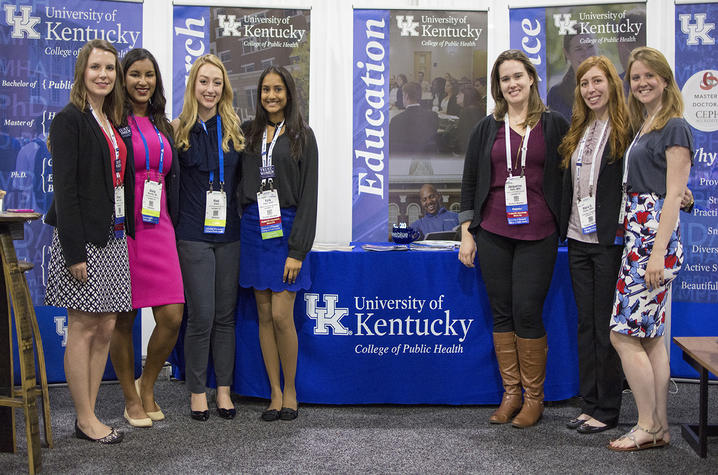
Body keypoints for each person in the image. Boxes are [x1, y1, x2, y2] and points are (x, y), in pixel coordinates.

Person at [458, 49, 569, 428]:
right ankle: (511, 394)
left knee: (527, 311)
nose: (512, 84)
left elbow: (573, 174)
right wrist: (467, 233)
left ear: (532, 78)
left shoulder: (554, 124)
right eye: (505, 79)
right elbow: (470, 181)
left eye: (518, 76)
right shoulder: (487, 127)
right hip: (492, 231)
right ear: (498, 86)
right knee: (502, 311)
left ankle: (534, 399)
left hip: (539, 232)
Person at [44, 39, 133, 444]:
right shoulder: (69, 120)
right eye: (96, 67)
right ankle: (83, 417)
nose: (104, 75)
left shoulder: (110, 119)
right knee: (82, 326)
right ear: (82, 71)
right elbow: (66, 190)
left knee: (107, 325)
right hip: (82, 241)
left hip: (112, 237)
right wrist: (74, 252)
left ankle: (90, 413)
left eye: (110, 68)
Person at [608, 47, 693, 451]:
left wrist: (657, 253)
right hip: (639, 232)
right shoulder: (648, 124)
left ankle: (645, 425)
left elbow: (674, 195)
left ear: (665, 79)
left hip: (651, 240)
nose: (641, 83)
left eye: (648, 76)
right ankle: (658, 426)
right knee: (652, 337)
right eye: (635, 77)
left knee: (622, 336)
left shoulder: (674, 125)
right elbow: (670, 186)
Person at [109, 48, 184, 428]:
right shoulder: (112, 120)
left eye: (149, 74)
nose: (143, 81)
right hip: (125, 229)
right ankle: (129, 397)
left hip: (160, 227)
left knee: (172, 315)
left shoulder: (162, 124)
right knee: (124, 318)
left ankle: (147, 383)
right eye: (135, 74)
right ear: (124, 79)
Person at [239, 65, 318, 422]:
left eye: (278, 89)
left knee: (282, 315)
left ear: (289, 93)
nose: (271, 96)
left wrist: (297, 251)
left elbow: (309, 197)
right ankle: (273, 392)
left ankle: (291, 390)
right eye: (265, 89)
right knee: (263, 315)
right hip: (256, 229)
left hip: (287, 231)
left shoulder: (303, 135)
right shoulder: (249, 133)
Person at [557, 56, 631, 434]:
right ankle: (589, 402)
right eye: (585, 84)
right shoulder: (578, 130)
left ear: (612, 85)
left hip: (608, 241)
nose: (591, 90)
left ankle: (608, 407)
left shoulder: (626, 130)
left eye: (598, 82)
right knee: (585, 324)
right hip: (576, 237)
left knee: (605, 326)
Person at [172, 54, 245, 421]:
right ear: (193, 85)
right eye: (204, 82)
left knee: (225, 317)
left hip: (229, 234)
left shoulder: (234, 129)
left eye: (217, 83)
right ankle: (197, 391)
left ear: (224, 88)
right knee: (200, 316)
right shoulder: (177, 129)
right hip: (192, 234)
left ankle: (224, 391)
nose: (210, 89)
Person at [547, 34, 598, 120]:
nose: (586, 54)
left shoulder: (611, 87)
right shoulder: (556, 94)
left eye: (590, 46)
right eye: (578, 49)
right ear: (567, 53)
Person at [389, 82, 439, 155]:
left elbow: (391, 146)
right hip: (426, 159)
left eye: (403, 95)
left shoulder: (395, 120)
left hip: (402, 160)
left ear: (406, 96)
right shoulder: (433, 116)